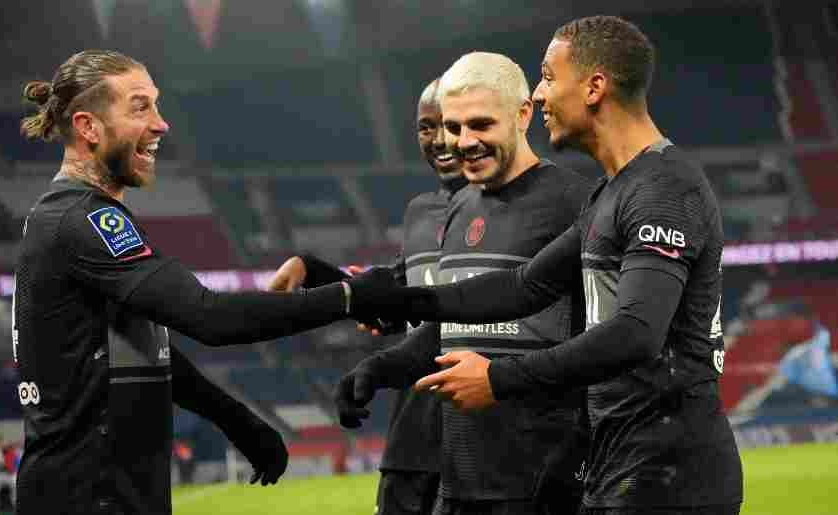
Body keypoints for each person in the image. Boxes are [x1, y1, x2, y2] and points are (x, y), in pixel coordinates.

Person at [346, 16, 744, 515]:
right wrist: (400, 298)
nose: (540, 93)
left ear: (595, 86)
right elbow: (522, 286)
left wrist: (498, 378)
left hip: (671, 475)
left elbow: (636, 332)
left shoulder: (662, 187)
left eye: (549, 76)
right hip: (618, 465)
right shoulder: (612, 191)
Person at [13, 49, 368, 515]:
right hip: (89, 496)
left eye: (156, 105)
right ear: (88, 127)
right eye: (140, 107)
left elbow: (143, 345)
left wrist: (235, 418)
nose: (161, 124)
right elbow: (210, 317)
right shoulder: (84, 219)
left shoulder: (72, 214)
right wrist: (352, 295)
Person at [336, 52, 592, 515]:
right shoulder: (459, 209)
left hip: (543, 481)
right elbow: (449, 328)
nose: (462, 142)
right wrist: (378, 370)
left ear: (522, 114)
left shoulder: (574, 202)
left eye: (480, 124)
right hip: (458, 480)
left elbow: (606, 342)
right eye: (453, 127)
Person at [269, 78, 467, 515]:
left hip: (485, 443)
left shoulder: (515, 211)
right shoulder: (421, 212)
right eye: (425, 127)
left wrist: (377, 364)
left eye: (450, 124)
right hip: (412, 444)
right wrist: (316, 271)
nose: (437, 140)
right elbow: (397, 305)